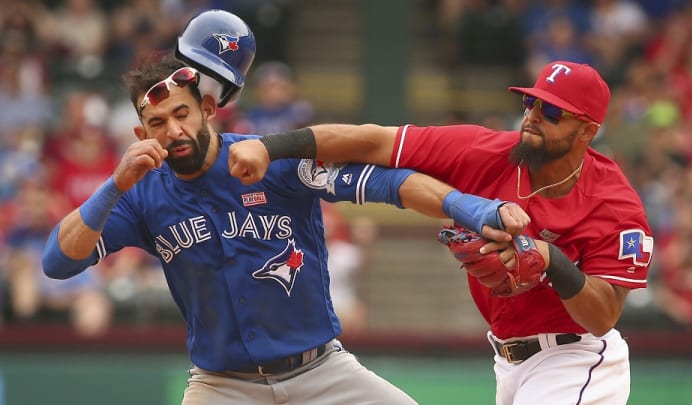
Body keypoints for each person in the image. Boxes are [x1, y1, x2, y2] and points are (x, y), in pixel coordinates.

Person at [41, 10, 532, 405]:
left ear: (208, 110)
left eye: (182, 113)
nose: (172, 130)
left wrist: (473, 209)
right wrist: (114, 185)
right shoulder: (140, 195)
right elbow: (58, 262)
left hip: (323, 373)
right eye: (156, 122)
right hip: (221, 385)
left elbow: (391, 184)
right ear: (140, 134)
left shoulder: (267, 158)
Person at [229, 60, 655, 404]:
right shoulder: (484, 152)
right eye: (531, 103)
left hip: (576, 358)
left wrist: (551, 259)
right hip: (508, 361)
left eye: (553, 112)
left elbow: (602, 317)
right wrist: (270, 147)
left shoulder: (613, 204)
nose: (534, 117)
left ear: (588, 131)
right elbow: (373, 141)